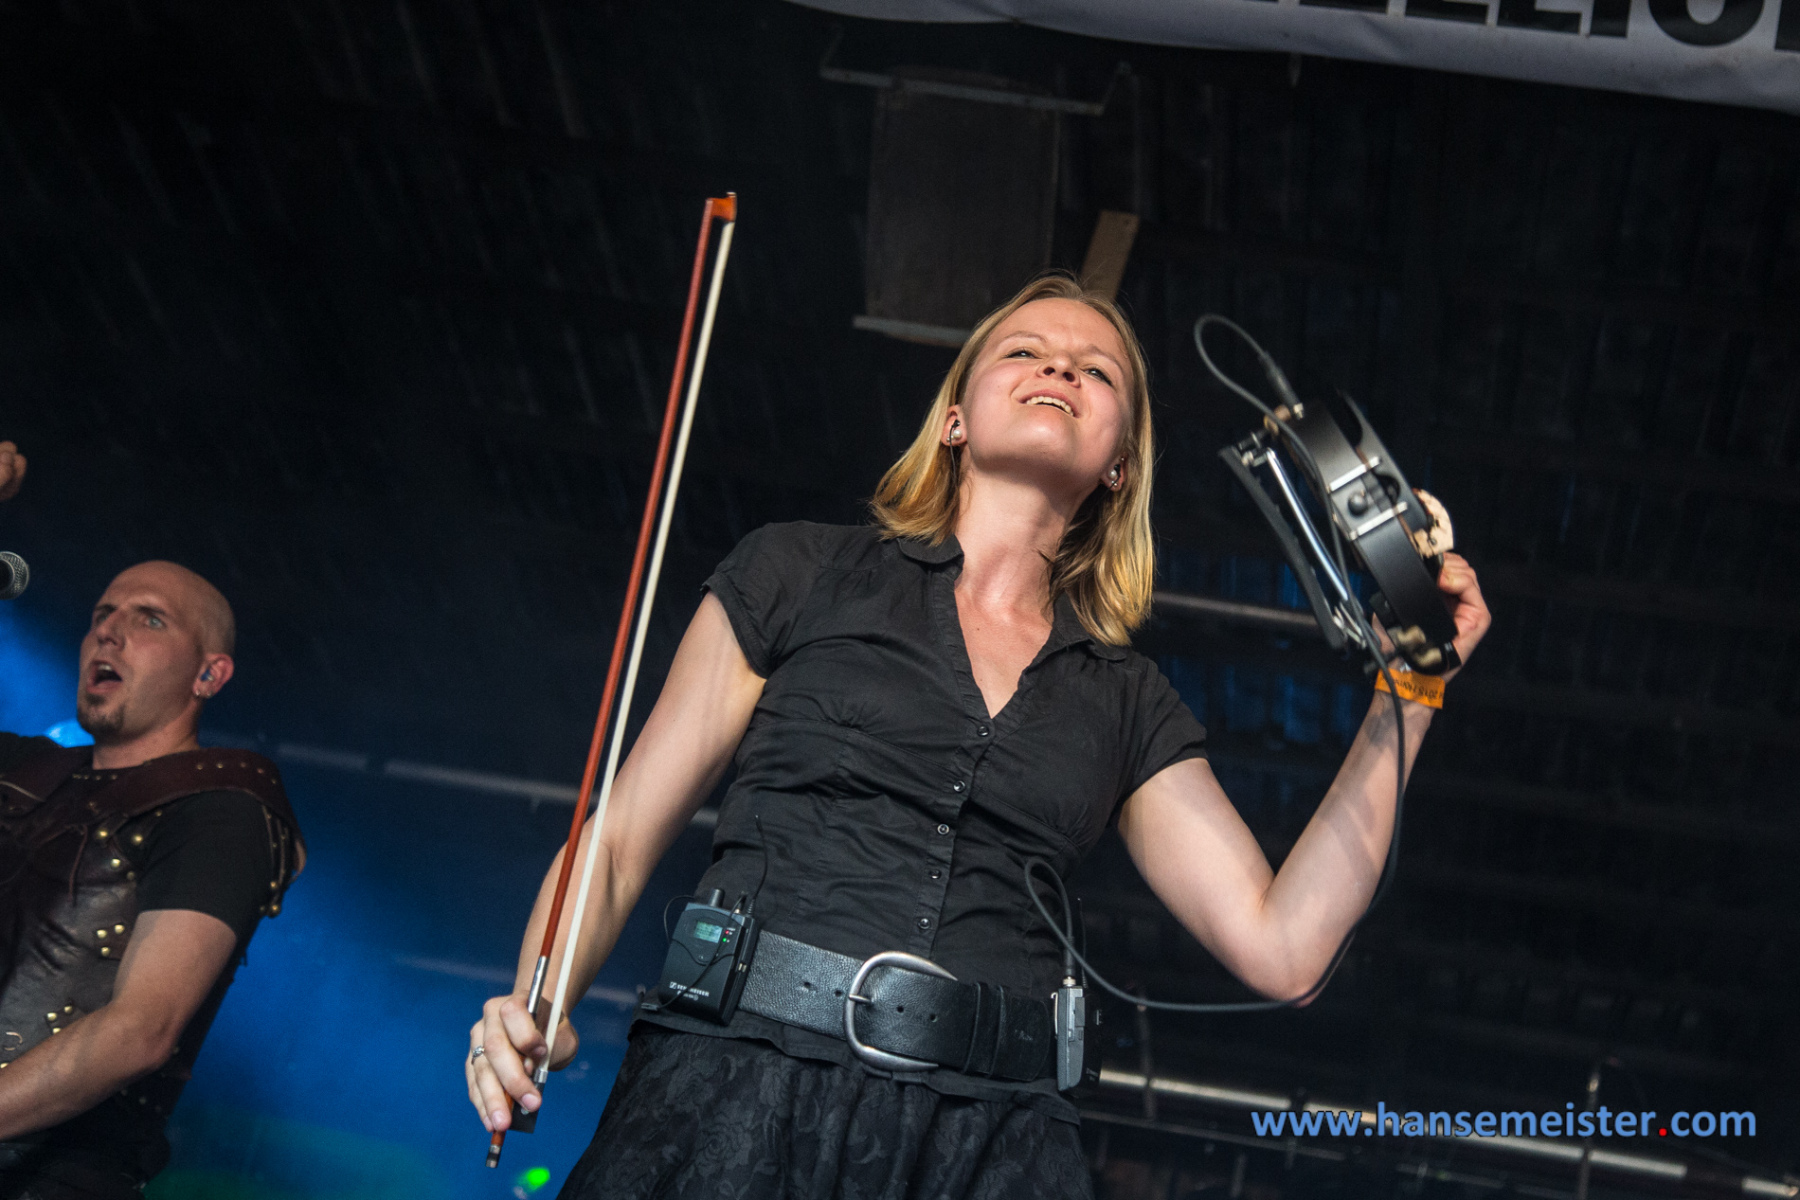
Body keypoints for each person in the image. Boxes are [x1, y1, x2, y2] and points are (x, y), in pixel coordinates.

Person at [466, 275, 1491, 1199]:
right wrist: (535, 1002)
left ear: (1120, 464)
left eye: (1096, 371)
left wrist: (1410, 692)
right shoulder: (797, 570)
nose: (1061, 368)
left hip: (987, 1145)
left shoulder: (1126, 699)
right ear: (955, 418)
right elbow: (619, 841)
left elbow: (1285, 948)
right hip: (733, 1082)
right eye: (1025, 351)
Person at [0, 454, 305, 1200]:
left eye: (149, 620)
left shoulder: (222, 806)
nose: (109, 633)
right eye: (101, 615)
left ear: (208, 675)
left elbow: (141, 1029)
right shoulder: (22, 771)